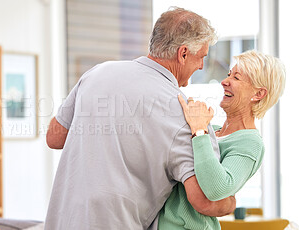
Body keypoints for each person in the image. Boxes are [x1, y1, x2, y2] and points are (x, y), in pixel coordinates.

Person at [44, 7, 236, 230]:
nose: (202, 65)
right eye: (201, 57)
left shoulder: (97, 73)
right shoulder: (186, 112)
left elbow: (54, 138)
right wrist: (230, 202)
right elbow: (205, 200)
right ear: (183, 54)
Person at [158, 50, 286, 229]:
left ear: (258, 94)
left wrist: (199, 130)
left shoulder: (250, 142)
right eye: (228, 75)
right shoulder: (212, 130)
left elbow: (217, 188)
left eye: (237, 78)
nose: (224, 82)